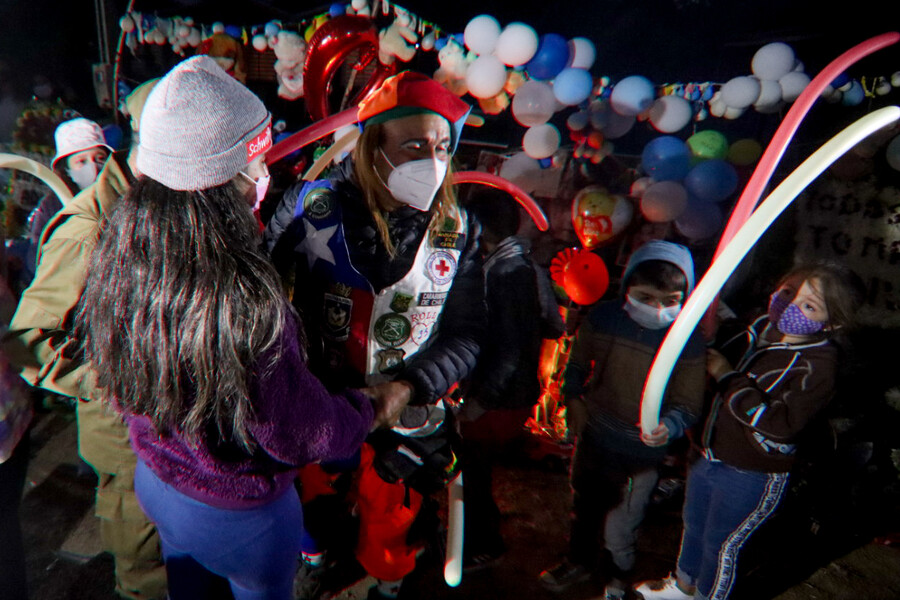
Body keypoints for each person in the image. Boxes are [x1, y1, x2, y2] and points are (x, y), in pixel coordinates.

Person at [73, 55, 390, 600]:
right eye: (259, 161)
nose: (265, 174)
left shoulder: (125, 244)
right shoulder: (241, 296)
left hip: (157, 481)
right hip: (241, 518)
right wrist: (367, 409)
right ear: (228, 175)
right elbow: (297, 431)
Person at [264, 70, 485, 599]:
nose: (432, 161)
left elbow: (468, 334)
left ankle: (388, 582)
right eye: (415, 145)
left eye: (442, 147)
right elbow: (255, 297)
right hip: (320, 399)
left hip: (409, 409)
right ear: (372, 148)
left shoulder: (458, 228)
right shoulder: (308, 207)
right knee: (312, 499)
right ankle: (315, 557)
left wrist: (407, 388)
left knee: (393, 513)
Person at [1, 78, 167, 600]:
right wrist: (111, 382)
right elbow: (27, 339)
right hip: (126, 436)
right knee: (145, 570)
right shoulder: (89, 227)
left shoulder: (158, 201)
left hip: (170, 426)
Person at [635, 262, 865, 600]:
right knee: (693, 525)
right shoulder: (755, 328)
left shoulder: (817, 368)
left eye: (809, 305)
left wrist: (728, 377)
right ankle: (683, 587)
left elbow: (780, 425)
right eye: (788, 291)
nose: (790, 305)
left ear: (832, 324)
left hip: (751, 472)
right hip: (706, 454)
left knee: (721, 544)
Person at [540, 240, 706, 600]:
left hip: (640, 454)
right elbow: (577, 362)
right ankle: (578, 560)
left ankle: (617, 578)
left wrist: (671, 425)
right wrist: (573, 398)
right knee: (585, 505)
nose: (657, 309)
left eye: (670, 301)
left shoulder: (686, 339)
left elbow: (689, 401)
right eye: (645, 298)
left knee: (623, 522)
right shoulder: (605, 318)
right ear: (627, 286)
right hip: (596, 436)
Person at [459, 189, 564, 569]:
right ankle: (477, 536)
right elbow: (554, 326)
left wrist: (478, 402)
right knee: (476, 470)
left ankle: (484, 544)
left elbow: (507, 351)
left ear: (477, 228)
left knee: (472, 472)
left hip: (497, 399)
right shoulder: (529, 267)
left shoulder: (501, 274)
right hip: (515, 395)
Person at [27, 117, 113, 255]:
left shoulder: (122, 194)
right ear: (66, 169)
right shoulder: (51, 207)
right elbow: (38, 255)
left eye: (100, 158)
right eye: (81, 161)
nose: (93, 166)